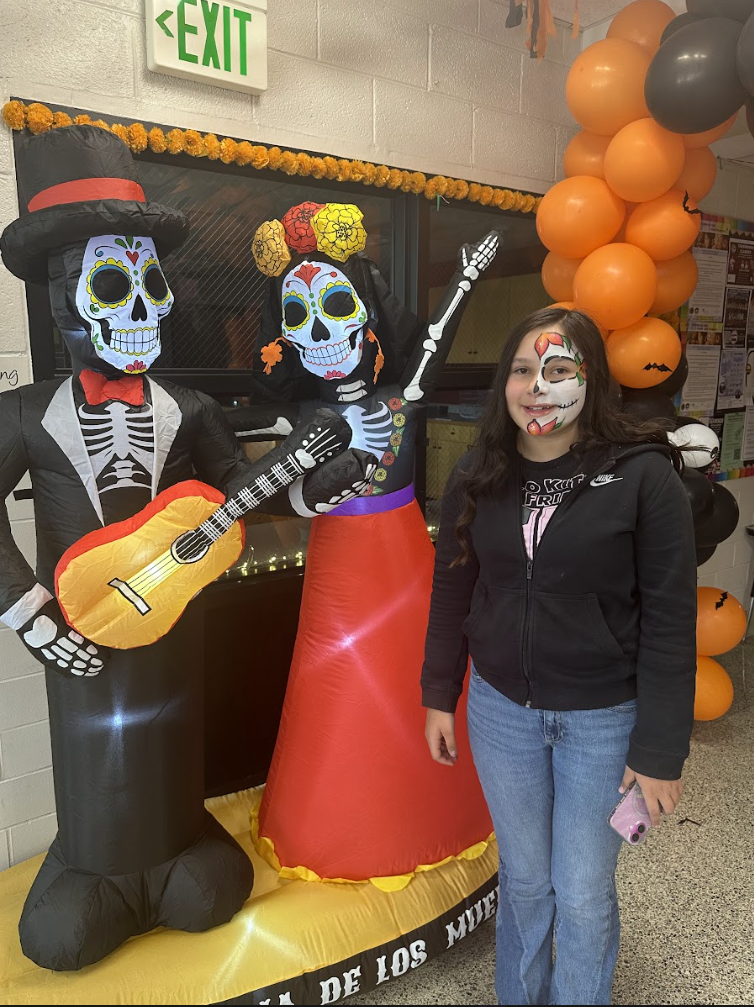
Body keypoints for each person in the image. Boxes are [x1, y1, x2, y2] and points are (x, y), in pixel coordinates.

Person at [421, 307, 697, 1006]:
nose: (537, 386)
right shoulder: (478, 471)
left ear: (591, 379)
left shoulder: (643, 476)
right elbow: (453, 583)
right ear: (503, 384)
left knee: (580, 889)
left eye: (559, 369)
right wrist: (437, 690)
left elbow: (670, 619)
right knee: (524, 878)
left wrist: (661, 751)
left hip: (605, 724)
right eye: (522, 369)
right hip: (499, 711)